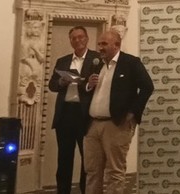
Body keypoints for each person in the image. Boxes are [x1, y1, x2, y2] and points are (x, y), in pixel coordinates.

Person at [82, 29, 154, 194]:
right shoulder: (96, 64)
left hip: (116, 124)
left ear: (116, 45)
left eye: (104, 44)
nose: (100, 47)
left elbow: (147, 87)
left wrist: (133, 113)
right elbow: (88, 90)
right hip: (92, 125)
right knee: (92, 171)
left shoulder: (130, 63)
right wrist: (88, 86)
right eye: (99, 43)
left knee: (114, 172)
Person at [47, 26, 99, 194]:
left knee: (87, 159)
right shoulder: (62, 61)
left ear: (87, 39)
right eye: (74, 38)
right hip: (65, 115)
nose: (77, 40)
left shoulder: (96, 59)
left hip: (86, 115)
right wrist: (61, 82)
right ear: (70, 41)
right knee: (64, 159)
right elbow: (52, 85)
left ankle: (86, 190)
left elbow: (100, 84)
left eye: (80, 37)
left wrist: (86, 84)